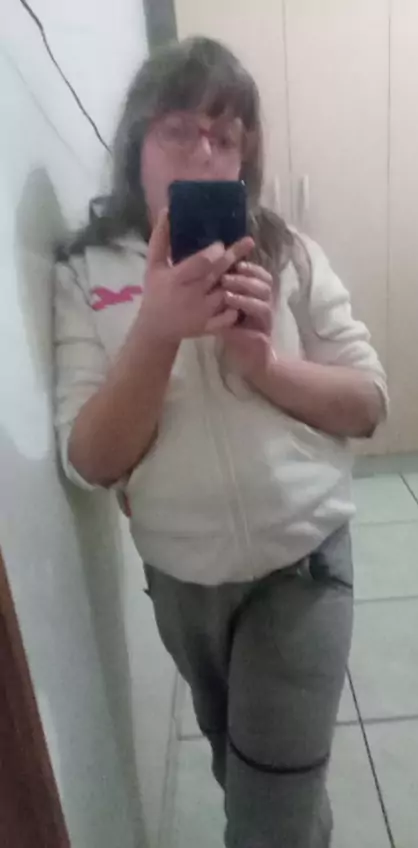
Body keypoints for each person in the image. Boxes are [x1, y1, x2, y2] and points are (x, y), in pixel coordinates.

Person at [54, 36, 387, 848]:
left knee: (263, 822)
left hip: (301, 565)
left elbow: (368, 402)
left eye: (226, 134)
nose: (205, 152)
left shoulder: (289, 254)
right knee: (252, 780)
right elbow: (91, 460)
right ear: (137, 144)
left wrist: (265, 364)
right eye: (179, 129)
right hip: (183, 584)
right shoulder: (85, 275)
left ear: (246, 155)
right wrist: (157, 330)